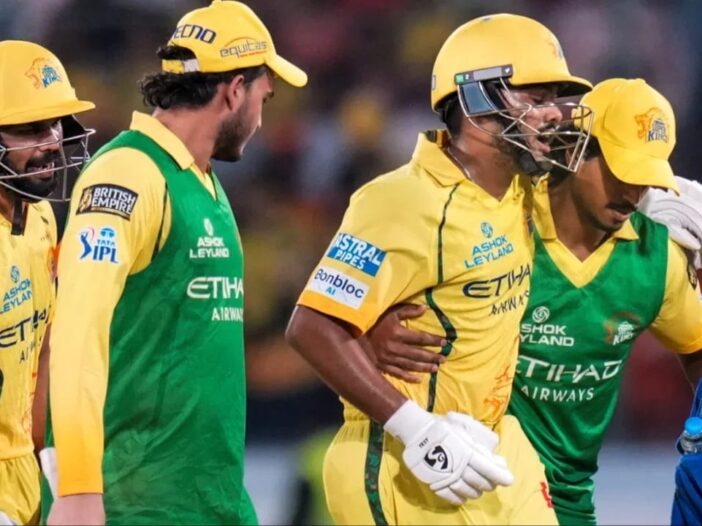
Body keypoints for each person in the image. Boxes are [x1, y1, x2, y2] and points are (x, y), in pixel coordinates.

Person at [286, 13, 593, 526]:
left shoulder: (522, 187)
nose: (553, 115)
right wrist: (418, 430)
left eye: (555, 99)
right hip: (405, 459)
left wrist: (665, 197)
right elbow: (312, 327)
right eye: (536, 98)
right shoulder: (401, 201)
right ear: (477, 98)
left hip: (496, 444)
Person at [368, 78, 702, 525]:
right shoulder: (504, 216)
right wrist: (370, 328)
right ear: (576, 149)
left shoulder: (656, 259)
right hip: (464, 483)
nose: (632, 192)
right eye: (621, 172)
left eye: (645, 178)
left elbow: (696, 347)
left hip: (568, 497)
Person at [43, 1, 307, 525]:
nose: (261, 118)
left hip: (210, 498)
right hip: (133, 503)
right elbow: (76, 331)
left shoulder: (201, 182)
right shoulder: (127, 174)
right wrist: (78, 487)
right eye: (264, 97)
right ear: (235, 90)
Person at [0, 40, 94, 525]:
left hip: (24, 475)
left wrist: (55, 471)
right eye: (31, 129)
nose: (53, 142)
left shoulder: (40, 219)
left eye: (56, 124)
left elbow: (41, 354)